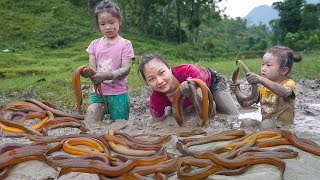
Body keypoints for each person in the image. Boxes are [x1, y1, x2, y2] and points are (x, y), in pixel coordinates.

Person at [139, 53, 239, 121]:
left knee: (233, 114)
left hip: (213, 84)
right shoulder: (155, 98)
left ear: (169, 69)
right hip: (188, 99)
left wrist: (191, 94)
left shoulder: (190, 72)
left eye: (161, 73)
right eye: (152, 79)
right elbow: (158, 123)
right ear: (147, 83)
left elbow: (209, 113)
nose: (159, 81)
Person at [80, 0, 135, 122]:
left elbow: (126, 69)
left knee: (120, 127)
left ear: (120, 20)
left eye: (111, 22)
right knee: (91, 123)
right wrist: (86, 72)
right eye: (103, 24)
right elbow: (92, 69)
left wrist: (106, 75)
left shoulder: (125, 44)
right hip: (98, 93)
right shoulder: (94, 45)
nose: (108, 27)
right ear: (98, 25)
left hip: (118, 94)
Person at [230, 46, 302, 130]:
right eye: (262, 64)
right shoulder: (262, 88)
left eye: (268, 65)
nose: (263, 69)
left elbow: (283, 92)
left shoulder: (289, 83)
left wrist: (261, 79)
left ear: (284, 71)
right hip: (266, 125)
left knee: (266, 124)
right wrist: (236, 90)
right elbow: (245, 104)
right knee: (246, 123)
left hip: (282, 127)